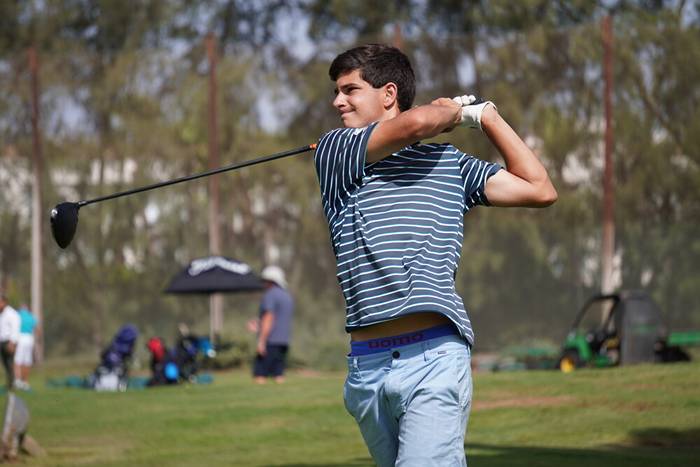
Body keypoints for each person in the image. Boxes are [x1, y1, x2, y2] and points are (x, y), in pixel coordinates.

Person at [313, 44, 557, 466]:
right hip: (366, 370)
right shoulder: (336, 152)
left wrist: (484, 117)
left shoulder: (450, 163)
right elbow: (418, 123)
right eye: (337, 91)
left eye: (349, 90)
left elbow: (540, 189)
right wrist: (448, 113)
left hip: (434, 358)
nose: (338, 101)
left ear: (388, 94)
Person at [252, 266, 294, 384]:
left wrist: (261, 341)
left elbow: (269, 318)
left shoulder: (270, 295)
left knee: (260, 375)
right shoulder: (287, 296)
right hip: (283, 341)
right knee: (279, 375)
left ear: (271, 281)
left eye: (265, 281)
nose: (263, 284)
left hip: (270, 341)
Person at [13, 305, 38, 391]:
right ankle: (25, 382)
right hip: (29, 338)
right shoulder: (31, 317)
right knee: (27, 361)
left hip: (20, 337)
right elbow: (36, 329)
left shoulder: (17, 316)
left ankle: (18, 381)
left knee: (17, 360)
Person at [0, 294, 21, 390]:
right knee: (4, 363)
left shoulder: (12, 314)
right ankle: (8, 384)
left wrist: (12, 343)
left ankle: (11, 385)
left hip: (9, 342)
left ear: (4, 302)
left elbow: (15, 329)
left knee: (10, 363)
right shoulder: (1, 314)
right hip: (1, 341)